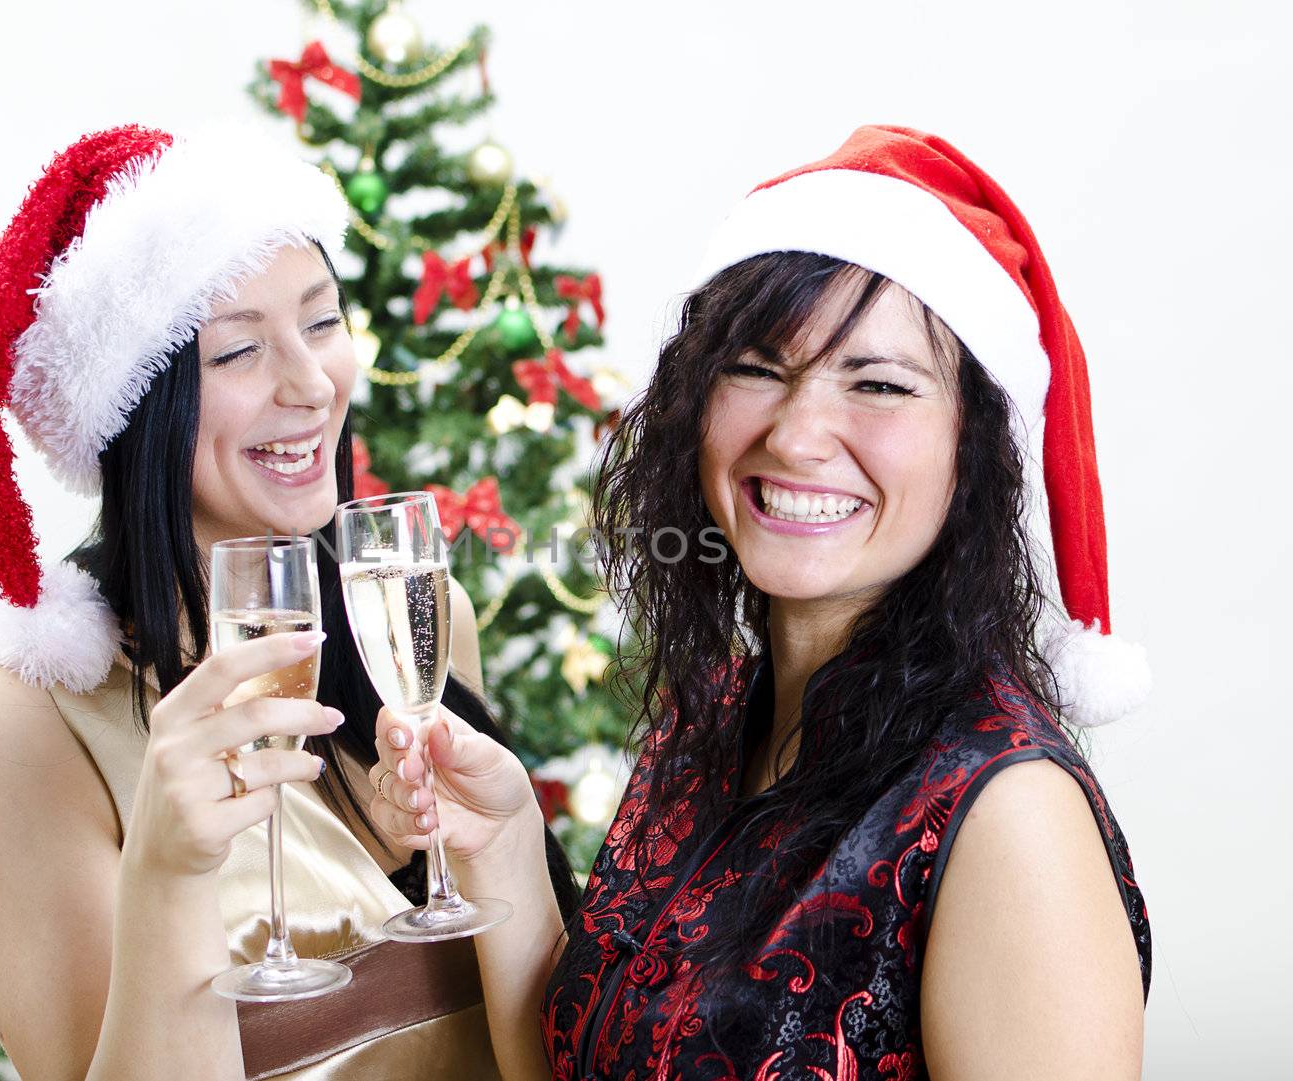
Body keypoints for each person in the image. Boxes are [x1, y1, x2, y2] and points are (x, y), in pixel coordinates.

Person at [365, 125, 1153, 1080]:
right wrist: (500, 844)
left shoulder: (1006, 812)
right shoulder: (708, 727)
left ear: (973, 448)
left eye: (879, 383)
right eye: (758, 368)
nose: (801, 433)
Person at [0, 121, 577, 1081]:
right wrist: (169, 879)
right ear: (136, 407)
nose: (311, 384)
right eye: (236, 354)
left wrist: (509, 851)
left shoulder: (417, 630)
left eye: (320, 322)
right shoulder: (10, 723)